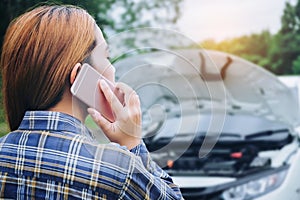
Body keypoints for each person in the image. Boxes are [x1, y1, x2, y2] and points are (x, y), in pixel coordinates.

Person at [0, 4, 183, 199]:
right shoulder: (119, 169)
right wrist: (133, 143)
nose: (113, 69)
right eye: (107, 56)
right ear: (78, 75)